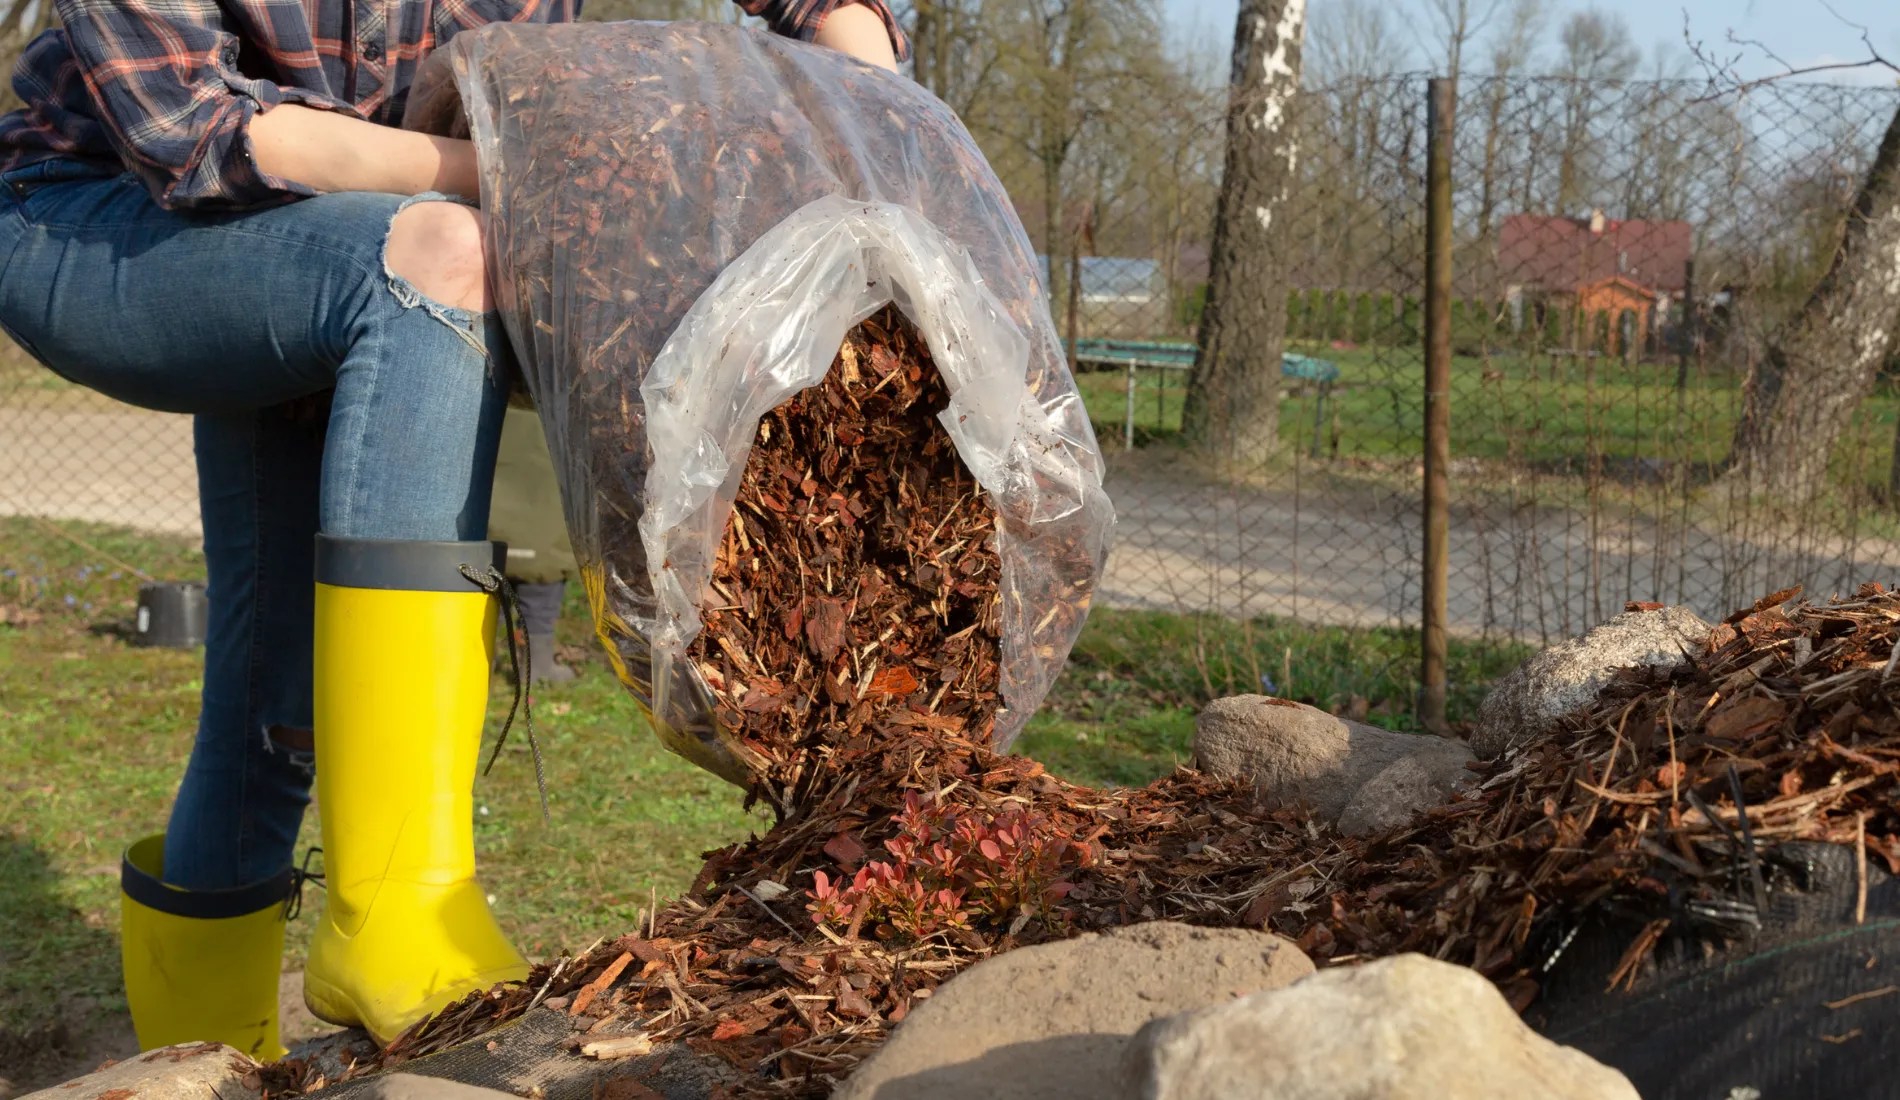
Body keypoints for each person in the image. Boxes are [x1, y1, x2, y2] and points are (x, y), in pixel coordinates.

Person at [0, 0, 905, 1057]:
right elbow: (193, 135)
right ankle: (400, 912)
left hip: (345, 240)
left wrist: (876, 119)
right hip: (101, 217)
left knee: (274, 709)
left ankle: (205, 1062)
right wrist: (537, 179)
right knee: (447, 255)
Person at [490, 405, 578, 684]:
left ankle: (478, 665)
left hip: (491, 533)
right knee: (540, 602)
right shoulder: (560, 405)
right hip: (544, 538)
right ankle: (537, 666)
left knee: (485, 604)